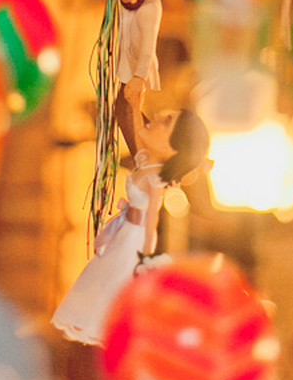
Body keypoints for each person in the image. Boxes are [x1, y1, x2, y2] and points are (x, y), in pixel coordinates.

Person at [51, 108, 211, 346]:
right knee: (103, 274)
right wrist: (135, 102)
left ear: (173, 148)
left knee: (111, 281)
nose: (157, 118)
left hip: (133, 237)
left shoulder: (155, 182)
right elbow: (135, 125)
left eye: (166, 122)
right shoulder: (145, 162)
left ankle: (99, 322)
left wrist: (146, 255)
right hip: (126, 227)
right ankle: (90, 317)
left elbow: (152, 221)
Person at [102, 0, 162, 157]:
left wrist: (138, 77)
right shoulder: (131, 0)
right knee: (124, 112)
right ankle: (150, 157)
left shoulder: (149, 8)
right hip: (128, 66)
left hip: (136, 70)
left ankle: (151, 158)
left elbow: (147, 48)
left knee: (126, 113)